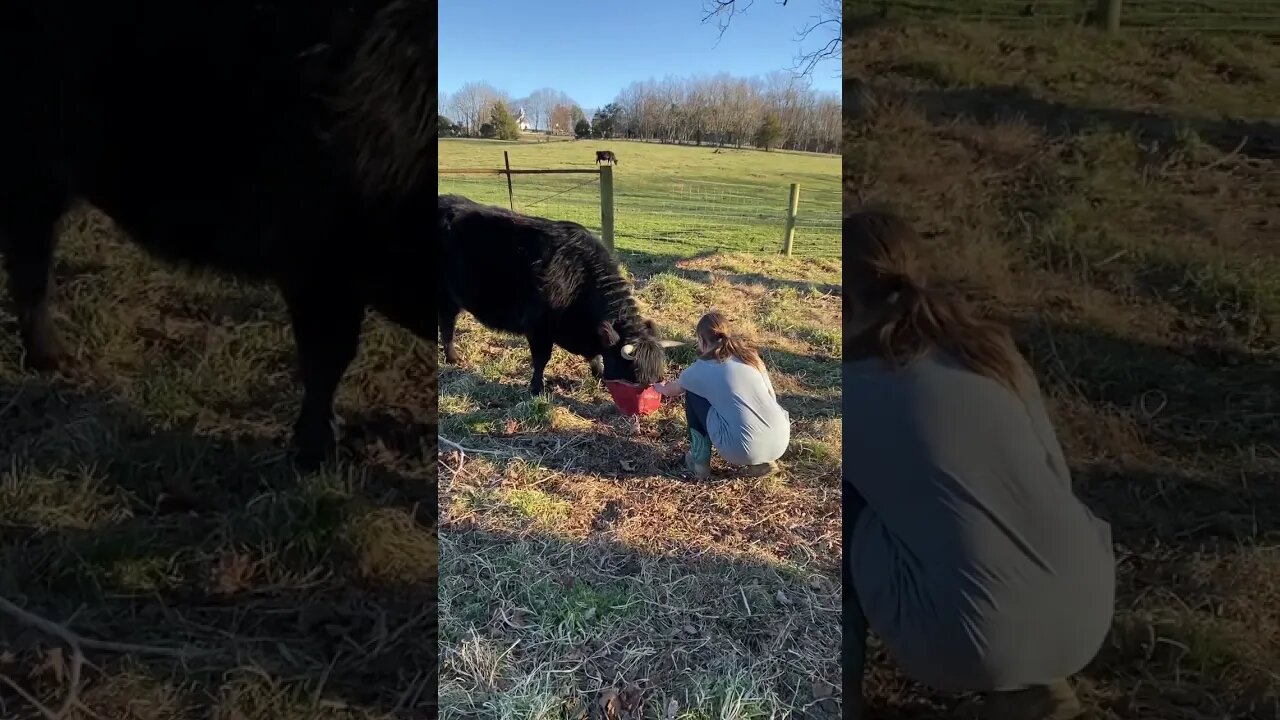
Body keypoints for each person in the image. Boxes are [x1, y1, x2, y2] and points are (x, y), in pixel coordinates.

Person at [841, 209, 1116, 720]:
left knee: (843, 501)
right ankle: (1040, 694)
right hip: (1087, 613)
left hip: (965, 642)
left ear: (845, 300)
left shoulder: (853, 384)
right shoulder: (993, 350)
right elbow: (1058, 478)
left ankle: (838, 699)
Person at [653, 311, 791, 479]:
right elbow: (771, 396)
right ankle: (763, 463)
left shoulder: (699, 370)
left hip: (741, 449)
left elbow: (672, 391)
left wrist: (658, 386)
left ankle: (699, 462)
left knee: (693, 394)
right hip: (781, 441)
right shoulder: (750, 358)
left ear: (702, 340)